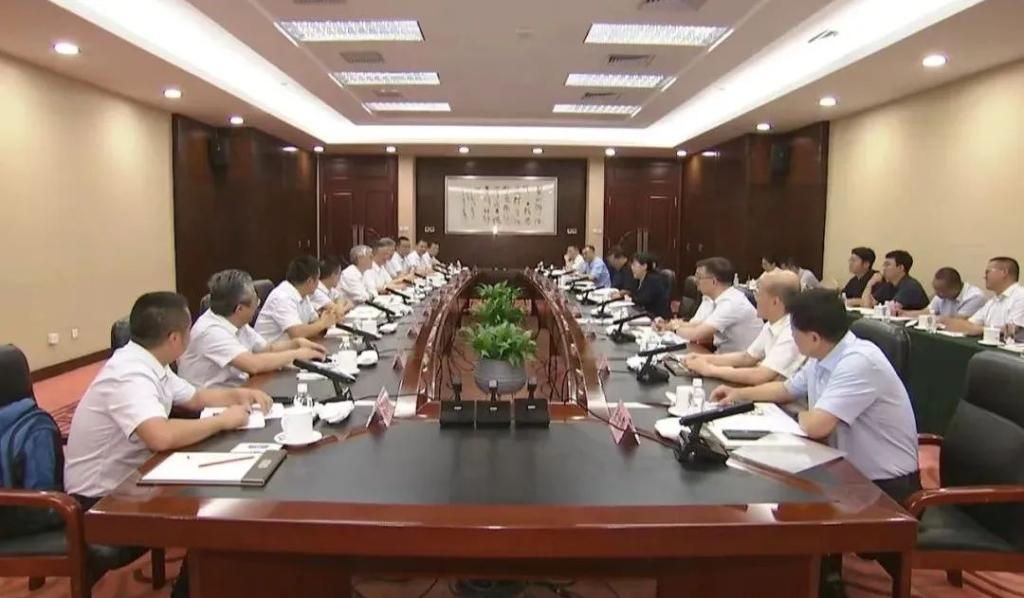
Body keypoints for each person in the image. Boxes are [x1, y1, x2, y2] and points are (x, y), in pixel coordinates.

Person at [710, 288, 920, 501]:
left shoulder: (858, 362)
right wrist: (738, 394)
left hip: (883, 486)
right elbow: (786, 389)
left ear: (814, 337)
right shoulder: (823, 353)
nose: (792, 337)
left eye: (794, 332)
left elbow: (816, 427)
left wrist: (795, 415)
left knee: (775, 499)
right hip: (842, 468)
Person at [65, 292, 272, 500]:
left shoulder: (151, 361)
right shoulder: (128, 374)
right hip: (99, 497)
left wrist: (239, 394)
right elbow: (160, 436)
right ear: (174, 338)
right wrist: (222, 421)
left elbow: (196, 398)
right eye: (188, 330)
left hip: (140, 476)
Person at [178, 270, 327, 389]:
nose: (258, 306)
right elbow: (253, 364)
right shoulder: (211, 331)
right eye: (257, 302)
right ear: (239, 309)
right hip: (210, 404)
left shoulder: (236, 321)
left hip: (239, 389)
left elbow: (266, 349)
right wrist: (297, 354)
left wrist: (296, 344)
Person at [683, 270, 805, 385]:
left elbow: (761, 375)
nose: (755, 299)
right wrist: (703, 358)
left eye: (758, 293)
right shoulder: (772, 323)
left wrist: (710, 369)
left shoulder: (792, 332)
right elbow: (747, 357)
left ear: (775, 302)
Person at [661, 257, 763, 353]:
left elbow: (696, 334)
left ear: (714, 281)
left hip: (741, 362)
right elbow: (700, 324)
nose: (695, 281)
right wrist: (669, 324)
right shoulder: (716, 299)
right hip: (725, 356)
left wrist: (674, 328)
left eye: (699, 277)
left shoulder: (731, 303)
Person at [254, 255, 340, 343]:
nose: (319, 284)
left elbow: (313, 322)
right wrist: (323, 324)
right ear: (310, 281)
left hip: (291, 348)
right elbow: (296, 333)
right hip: (270, 350)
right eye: (318, 279)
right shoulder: (282, 297)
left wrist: (325, 320)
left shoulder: (304, 295)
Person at [943, 257, 1024, 338]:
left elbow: (1011, 331)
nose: (984, 276)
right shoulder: (993, 301)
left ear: (1004, 272)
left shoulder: (1021, 296)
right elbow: (967, 324)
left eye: (988, 272)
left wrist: (978, 329)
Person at [901, 267, 986, 319]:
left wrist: (934, 318)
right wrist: (904, 313)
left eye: (940, 291)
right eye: (935, 289)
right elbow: (928, 312)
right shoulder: (940, 294)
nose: (936, 293)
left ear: (954, 289)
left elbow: (957, 320)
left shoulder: (975, 297)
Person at [622, 252, 671, 319]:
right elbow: (634, 294)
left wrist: (630, 299)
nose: (632, 268)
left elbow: (643, 300)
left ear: (644, 266)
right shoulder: (638, 279)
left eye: (634, 265)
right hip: (644, 315)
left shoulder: (654, 280)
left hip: (656, 318)